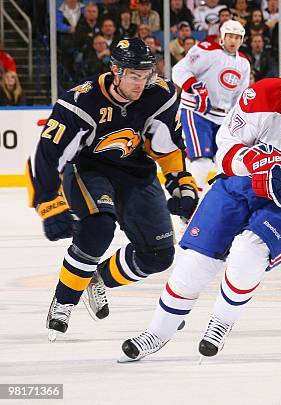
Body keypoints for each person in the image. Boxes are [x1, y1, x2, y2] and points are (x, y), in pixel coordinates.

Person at [120, 41, 281, 361]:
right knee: (195, 263)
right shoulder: (261, 96)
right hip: (243, 184)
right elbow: (226, 146)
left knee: (250, 249)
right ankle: (158, 332)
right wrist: (255, 165)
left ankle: (220, 321)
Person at [26, 38, 198, 341]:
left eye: (146, 76)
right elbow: (47, 156)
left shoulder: (161, 95)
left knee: (158, 254)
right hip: (89, 170)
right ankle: (65, 300)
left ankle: (95, 280)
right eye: (134, 76)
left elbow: (167, 147)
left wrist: (181, 184)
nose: (141, 84)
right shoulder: (81, 102)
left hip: (136, 173)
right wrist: (49, 203)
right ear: (116, 70)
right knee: (98, 229)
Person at [172, 20, 251, 191]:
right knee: (202, 161)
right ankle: (190, 201)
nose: (233, 41)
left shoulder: (243, 63)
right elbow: (179, 70)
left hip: (223, 118)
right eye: (230, 36)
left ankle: (215, 201)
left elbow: (240, 95)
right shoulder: (207, 50)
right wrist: (194, 86)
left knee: (225, 162)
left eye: (237, 37)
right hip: (197, 111)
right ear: (222, 37)